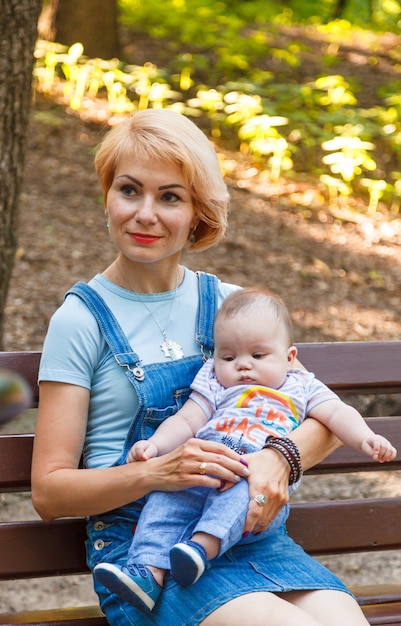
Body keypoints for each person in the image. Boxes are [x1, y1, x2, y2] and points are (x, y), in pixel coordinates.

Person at [31, 107, 372, 626]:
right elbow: (49, 492)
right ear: (107, 197)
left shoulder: (230, 307)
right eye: (129, 190)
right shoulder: (81, 321)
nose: (145, 213)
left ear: (198, 214)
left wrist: (279, 458)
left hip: (247, 533)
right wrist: (156, 471)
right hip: (148, 555)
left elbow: (317, 412)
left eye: (170, 197)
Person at [93, 286, 396, 611]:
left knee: (242, 495)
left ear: (290, 358)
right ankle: (146, 574)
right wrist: (153, 446)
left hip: (251, 476)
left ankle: (200, 549)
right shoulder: (214, 381)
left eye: (258, 355)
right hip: (201, 467)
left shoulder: (301, 385)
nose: (242, 366)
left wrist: (365, 437)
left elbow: (336, 415)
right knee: (164, 502)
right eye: (229, 357)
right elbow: (186, 420)